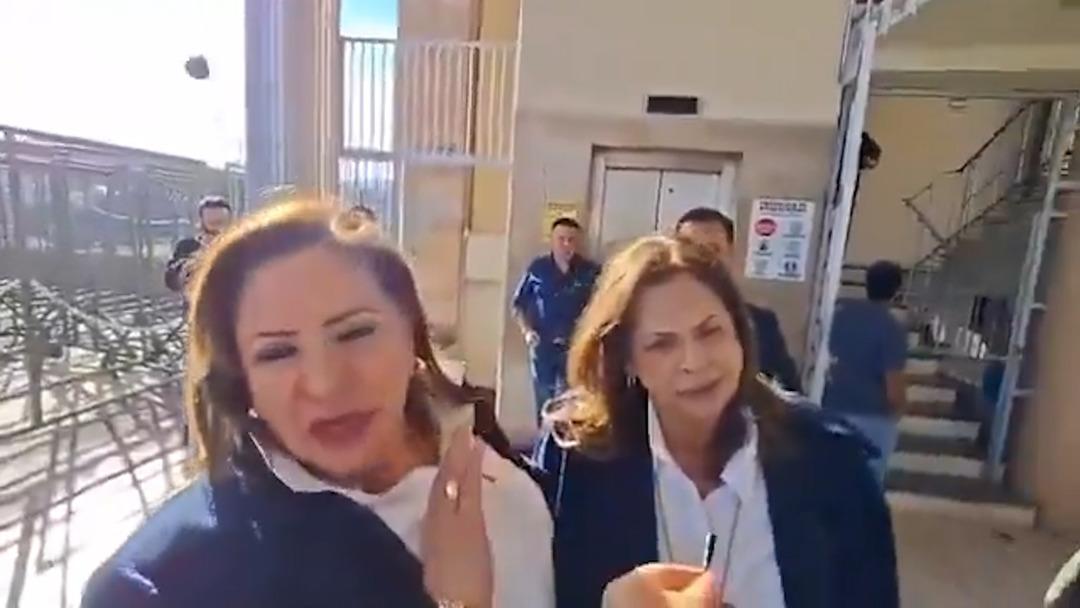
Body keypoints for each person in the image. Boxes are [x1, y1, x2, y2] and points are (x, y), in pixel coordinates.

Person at [84, 200, 553, 607]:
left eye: (355, 333)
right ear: (240, 382)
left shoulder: (489, 452)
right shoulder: (167, 586)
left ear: (412, 333)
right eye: (277, 353)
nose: (325, 384)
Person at [534, 236, 898, 608]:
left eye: (710, 332)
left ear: (739, 333)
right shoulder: (575, 462)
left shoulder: (832, 462)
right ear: (627, 359)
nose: (694, 361)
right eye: (662, 344)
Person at [674, 207, 802, 393]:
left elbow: (790, 395)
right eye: (692, 249)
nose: (703, 259)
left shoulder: (761, 325)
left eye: (713, 249)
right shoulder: (650, 323)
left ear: (730, 255)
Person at [822, 260, 908, 484]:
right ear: (897, 291)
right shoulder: (891, 328)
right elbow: (893, 389)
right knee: (865, 490)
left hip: (828, 412)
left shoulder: (838, 315)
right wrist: (898, 412)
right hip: (871, 420)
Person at [512, 217, 600, 417]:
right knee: (544, 400)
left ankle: (566, 437)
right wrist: (527, 331)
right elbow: (518, 304)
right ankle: (544, 436)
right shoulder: (538, 269)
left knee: (573, 401)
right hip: (543, 346)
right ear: (552, 241)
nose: (566, 245)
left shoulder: (590, 272)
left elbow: (602, 305)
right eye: (561, 239)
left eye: (571, 240)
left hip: (575, 347)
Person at [164, 195, 233, 294]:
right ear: (201, 223)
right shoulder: (186, 247)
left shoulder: (242, 248)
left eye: (220, 223)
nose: (217, 230)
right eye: (211, 224)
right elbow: (171, 280)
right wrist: (196, 259)